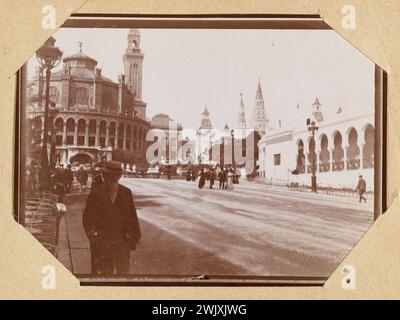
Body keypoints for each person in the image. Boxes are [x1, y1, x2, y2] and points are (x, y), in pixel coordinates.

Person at [82, 160, 141, 275]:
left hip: (122, 242)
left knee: (122, 274)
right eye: (109, 175)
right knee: (103, 274)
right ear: (104, 176)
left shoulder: (126, 193)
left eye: (115, 176)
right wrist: (93, 237)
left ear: (119, 176)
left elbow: (132, 216)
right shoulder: (96, 193)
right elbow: (87, 218)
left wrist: (134, 237)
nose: (112, 179)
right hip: (102, 242)